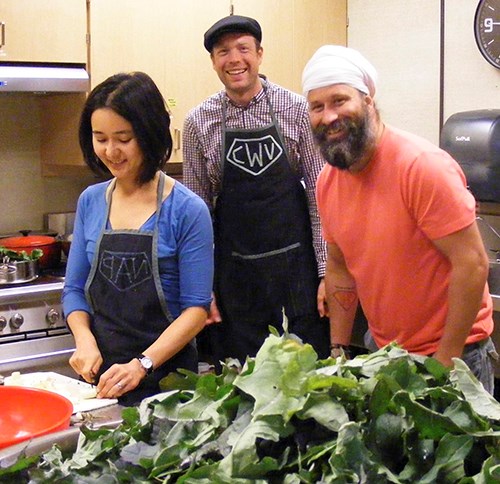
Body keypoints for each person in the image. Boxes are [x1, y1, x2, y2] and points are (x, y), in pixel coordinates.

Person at [302, 45, 498, 393]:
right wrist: (338, 352)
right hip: (386, 354)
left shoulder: (420, 167)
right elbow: (340, 268)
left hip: (454, 355)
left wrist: (445, 361)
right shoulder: (328, 182)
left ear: (368, 101)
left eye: (339, 100)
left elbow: (472, 263)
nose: (328, 116)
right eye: (317, 106)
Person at [182, 15, 330, 367]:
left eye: (243, 49)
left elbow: (321, 198)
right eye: (223, 52)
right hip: (236, 282)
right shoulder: (197, 122)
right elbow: (197, 218)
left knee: (310, 381)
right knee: (244, 385)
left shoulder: (296, 110)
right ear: (214, 61)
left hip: (299, 274)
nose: (234, 59)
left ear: (259, 54)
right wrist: (203, 291)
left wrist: (328, 274)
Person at [62, 72, 214, 406]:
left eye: (123, 138)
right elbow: (74, 291)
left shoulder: (188, 210)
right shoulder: (90, 201)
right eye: (100, 138)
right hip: (99, 384)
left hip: (167, 383)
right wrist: (85, 340)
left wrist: (142, 364)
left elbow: (196, 310)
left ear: (148, 134)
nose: (110, 150)